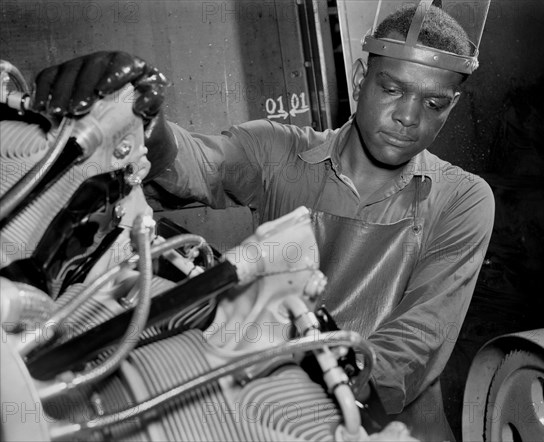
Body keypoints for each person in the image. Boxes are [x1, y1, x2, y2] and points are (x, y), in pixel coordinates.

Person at [31, 4, 494, 440]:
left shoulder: (461, 199)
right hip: (267, 405)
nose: (408, 117)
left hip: (385, 423)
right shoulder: (278, 153)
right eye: (391, 89)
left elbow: (415, 343)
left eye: (433, 104)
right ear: (359, 79)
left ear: (450, 107)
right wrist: (141, 123)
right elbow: (202, 162)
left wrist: (322, 393)